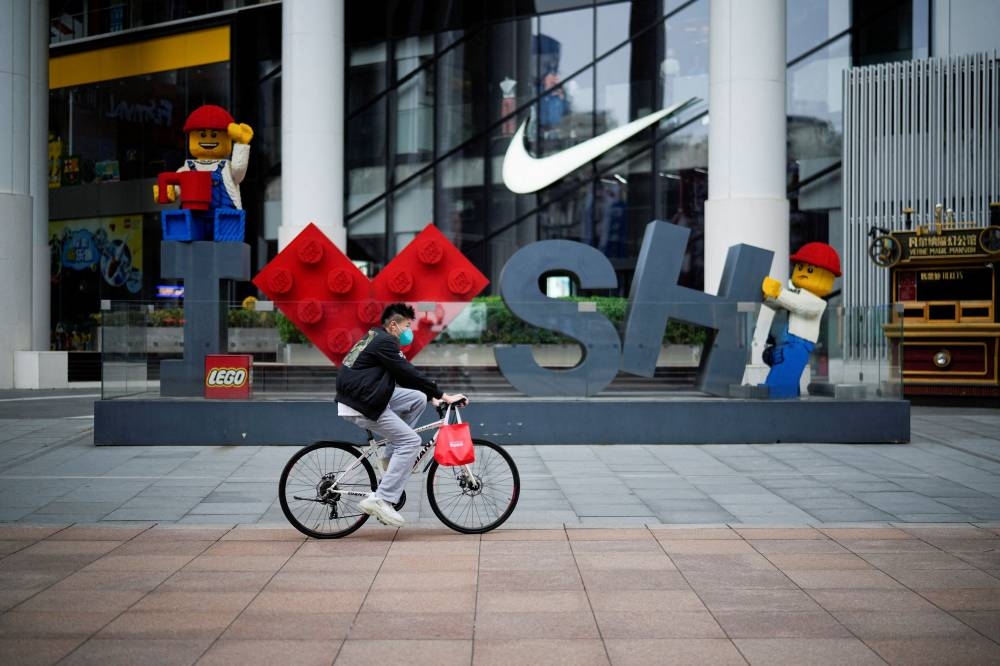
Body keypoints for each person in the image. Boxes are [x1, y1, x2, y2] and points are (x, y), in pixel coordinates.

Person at [336, 303, 467, 527]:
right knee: (411, 441)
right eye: (407, 325)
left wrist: (431, 396)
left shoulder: (375, 337)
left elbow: (403, 374)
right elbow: (407, 372)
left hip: (365, 395)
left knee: (416, 398)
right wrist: (443, 395)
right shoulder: (385, 341)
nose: (410, 331)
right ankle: (382, 499)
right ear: (394, 325)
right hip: (362, 403)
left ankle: (389, 459)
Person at [760, 242, 841, 398]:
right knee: (787, 377)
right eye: (800, 267)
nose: (802, 272)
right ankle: (788, 399)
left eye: (809, 270)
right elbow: (781, 305)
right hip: (784, 343)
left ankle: (774, 398)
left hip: (798, 345)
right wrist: (767, 296)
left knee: (781, 380)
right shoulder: (792, 295)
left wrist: (778, 292)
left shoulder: (817, 302)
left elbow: (801, 306)